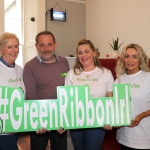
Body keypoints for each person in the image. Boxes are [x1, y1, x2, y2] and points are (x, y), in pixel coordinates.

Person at [23, 30, 69, 150]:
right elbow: (31, 96)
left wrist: (65, 118)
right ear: (36, 46)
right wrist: (40, 120)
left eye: (49, 44)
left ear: (55, 44)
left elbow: (69, 91)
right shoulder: (29, 66)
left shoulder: (64, 62)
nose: (46, 48)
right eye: (42, 45)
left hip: (60, 119)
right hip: (39, 120)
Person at [65, 39, 114, 150]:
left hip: (97, 124)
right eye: (80, 52)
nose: (83, 55)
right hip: (76, 122)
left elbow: (110, 100)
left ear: (94, 53)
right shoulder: (71, 74)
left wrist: (110, 119)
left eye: (87, 51)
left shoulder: (105, 73)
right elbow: (67, 101)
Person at [115, 43, 150, 150]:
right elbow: (115, 104)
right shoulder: (119, 79)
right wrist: (115, 119)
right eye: (127, 56)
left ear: (141, 59)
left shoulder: (147, 77)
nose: (130, 60)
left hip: (143, 139)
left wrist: (141, 116)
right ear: (123, 59)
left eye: (135, 57)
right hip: (123, 138)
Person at [0, 32, 25, 150]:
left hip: (14, 128)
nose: (14, 50)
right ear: (1, 49)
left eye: (16, 46)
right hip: (2, 131)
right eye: (9, 47)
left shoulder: (20, 70)